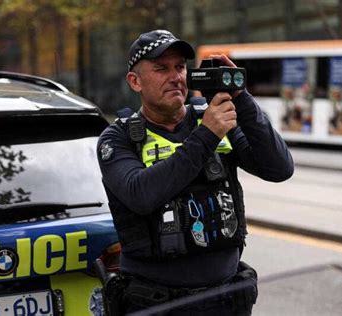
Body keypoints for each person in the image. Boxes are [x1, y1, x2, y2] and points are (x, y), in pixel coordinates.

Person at [97, 29, 294, 315]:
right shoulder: (118, 138)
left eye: (179, 67)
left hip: (227, 298)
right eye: (161, 68)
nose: (175, 76)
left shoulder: (213, 119)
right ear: (135, 81)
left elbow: (279, 168)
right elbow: (141, 194)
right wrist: (207, 135)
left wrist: (242, 99)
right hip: (156, 303)